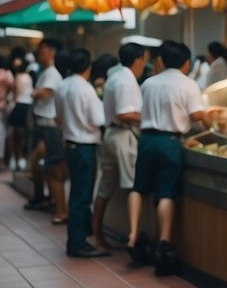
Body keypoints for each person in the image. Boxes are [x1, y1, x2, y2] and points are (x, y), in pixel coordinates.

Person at [128, 40, 213, 274]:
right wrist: (210, 122)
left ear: (161, 60)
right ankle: (164, 244)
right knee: (165, 192)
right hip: (170, 143)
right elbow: (196, 114)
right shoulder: (188, 84)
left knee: (139, 188)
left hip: (146, 140)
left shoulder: (148, 83)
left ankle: (134, 234)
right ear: (187, 63)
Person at [55, 48, 108, 258]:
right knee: (82, 196)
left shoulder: (62, 85)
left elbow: (57, 117)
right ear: (88, 67)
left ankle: (80, 236)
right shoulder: (86, 89)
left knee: (77, 193)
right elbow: (97, 119)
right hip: (85, 146)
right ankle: (77, 242)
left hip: (69, 144)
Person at [95, 43, 145, 251]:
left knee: (105, 186)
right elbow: (125, 114)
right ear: (137, 60)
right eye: (144, 59)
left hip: (110, 134)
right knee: (131, 185)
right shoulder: (126, 80)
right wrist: (146, 117)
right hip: (122, 136)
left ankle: (97, 231)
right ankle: (133, 237)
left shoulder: (115, 76)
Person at [27, 38, 67, 220]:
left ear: (52, 51)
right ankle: (46, 198)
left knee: (46, 165)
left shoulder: (52, 73)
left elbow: (44, 93)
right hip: (44, 124)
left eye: (43, 49)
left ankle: (50, 201)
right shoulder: (45, 72)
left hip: (50, 125)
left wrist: (34, 93)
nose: (39, 52)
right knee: (44, 165)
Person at [8, 54, 34, 171]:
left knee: (17, 136)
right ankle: (24, 160)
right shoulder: (29, 77)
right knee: (26, 136)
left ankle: (17, 159)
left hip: (19, 106)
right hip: (28, 106)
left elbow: (16, 94)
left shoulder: (18, 77)